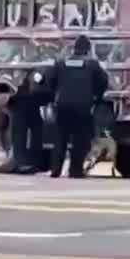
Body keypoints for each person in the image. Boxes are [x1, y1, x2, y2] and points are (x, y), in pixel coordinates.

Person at [48, 35, 109, 179]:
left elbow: (51, 81)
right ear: (88, 49)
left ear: (74, 49)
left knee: (60, 139)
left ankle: (55, 170)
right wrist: (96, 96)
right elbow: (103, 81)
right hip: (82, 107)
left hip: (62, 106)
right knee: (80, 140)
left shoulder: (61, 63)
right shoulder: (92, 64)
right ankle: (75, 171)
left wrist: (55, 97)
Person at [6, 66, 49, 174]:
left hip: (28, 105)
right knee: (24, 134)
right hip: (24, 106)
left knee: (26, 134)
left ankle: (26, 162)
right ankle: (23, 163)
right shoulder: (34, 79)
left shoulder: (26, 81)